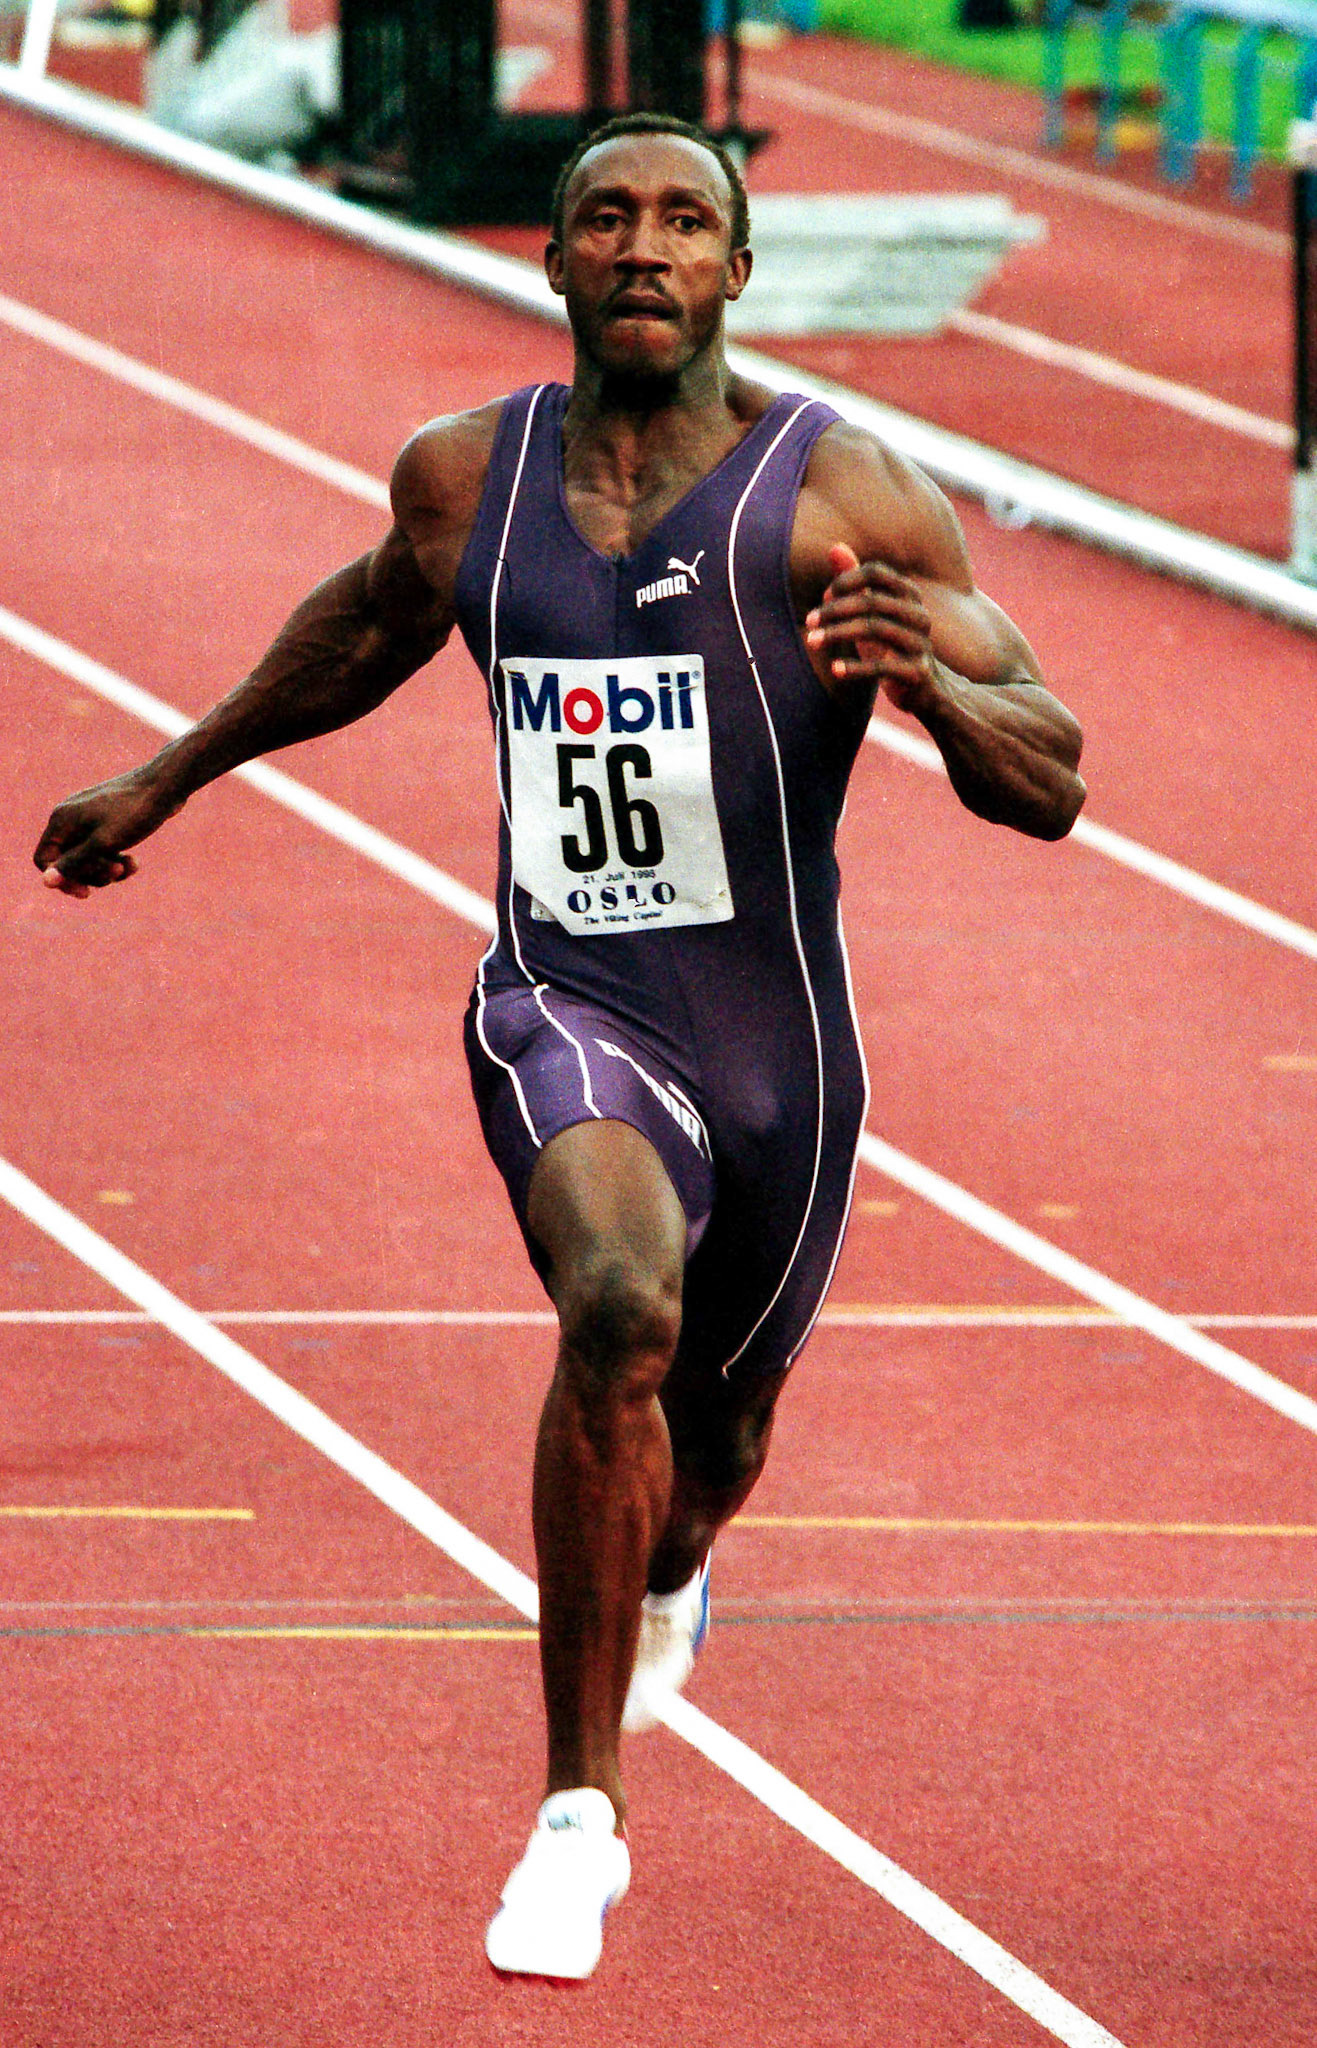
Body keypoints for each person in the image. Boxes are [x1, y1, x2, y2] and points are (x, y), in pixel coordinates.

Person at [34, 111, 1085, 1981]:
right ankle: (576, 1818)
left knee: (717, 1436)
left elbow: (1053, 774)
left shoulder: (846, 494)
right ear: (552, 258)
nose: (645, 248)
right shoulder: (467, 479)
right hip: (565, 1002)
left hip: (781, 1051)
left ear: (739, 272)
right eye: (607, 217)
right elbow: (364, 630)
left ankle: (675, 1568)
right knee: (615, 1303)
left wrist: (929, 672)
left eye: (689, 221)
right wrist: (168, 774)